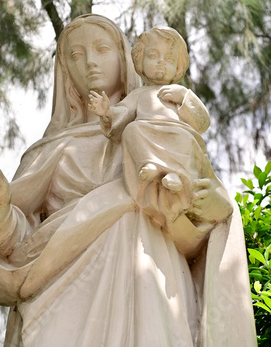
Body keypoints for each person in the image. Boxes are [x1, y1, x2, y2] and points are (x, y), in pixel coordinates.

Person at [0, 15, 256, 347]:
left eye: (101, 49)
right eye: (75, 55)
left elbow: (196, 223)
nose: (90, 62)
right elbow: (18, 246)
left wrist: (218, 210)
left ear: (124, 56)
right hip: (63, 294)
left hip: (152, 279)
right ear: (65, 72)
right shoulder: (52, 149)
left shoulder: (162, 131)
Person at [88, 26, 215, 215]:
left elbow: (202, 122)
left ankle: (177, 175)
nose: (161, 63)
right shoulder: (139, 94)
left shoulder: (182, 93)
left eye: (169, 59)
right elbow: (122, 114)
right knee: (132, 131)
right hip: (147, 131)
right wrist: (107, 113)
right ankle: (150, 166)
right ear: (141, 61)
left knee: (185, 139)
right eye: (153, 56)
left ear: (178, 67)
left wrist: (183, 96)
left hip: (177, 132)